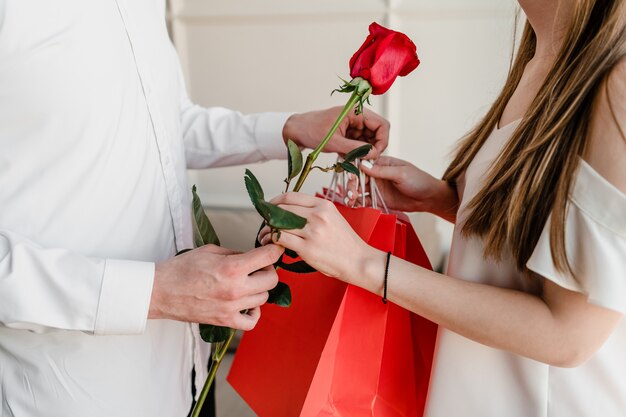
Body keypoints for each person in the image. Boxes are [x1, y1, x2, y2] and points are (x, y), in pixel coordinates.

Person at [0, 1, 390, 417]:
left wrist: (289, 128)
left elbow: (167, 124)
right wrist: (154, 292)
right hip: (70, 393)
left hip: (189, 374)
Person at [263, 0, 626, 416]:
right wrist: (442, 199)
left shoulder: (617, 81)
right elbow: (545, 245)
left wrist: (362, 262)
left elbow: (569, 336)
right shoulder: (542, 57)